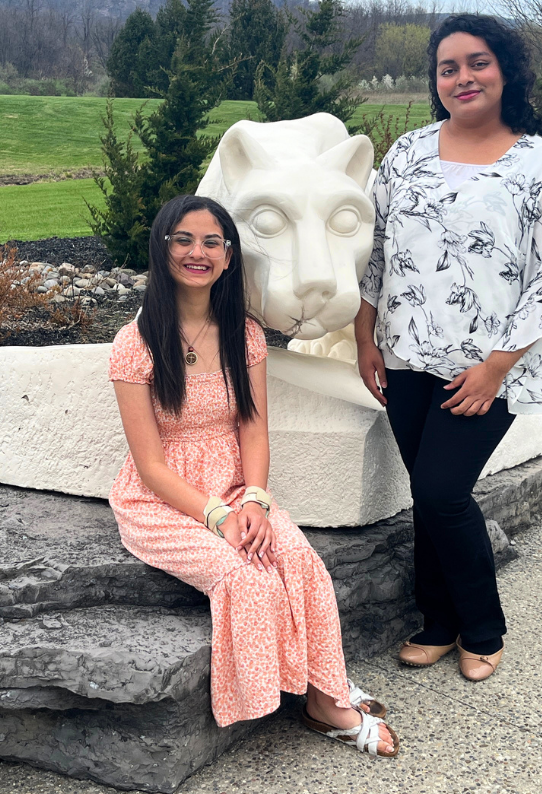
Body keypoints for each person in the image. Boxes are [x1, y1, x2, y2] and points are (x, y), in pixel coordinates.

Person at [109, 194, 399, 757]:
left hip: (238, 486)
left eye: (212, 242)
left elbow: (254, 430)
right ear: (161, 247)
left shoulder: (243, 334)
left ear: (228, 255)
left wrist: (257, 501)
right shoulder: (136, 343)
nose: (198, 252)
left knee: (299, 560)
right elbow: (149, 465)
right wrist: (218, 516)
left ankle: (324, 696)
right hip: (163, 500)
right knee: (246, 578)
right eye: (184, 240)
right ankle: (295, 699)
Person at [354, 14, 542, 681]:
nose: (463, 77)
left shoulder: (540, 163)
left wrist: (495, 371)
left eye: (478, 62)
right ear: (436, 80)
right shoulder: (405, 152)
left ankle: (482, 627)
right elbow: (376, 250)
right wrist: (363, 333)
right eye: (448, 67)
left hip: (487, 366)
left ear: (506, 69)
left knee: (441, 491)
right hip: (405, 353)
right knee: (427, 493)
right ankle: (436, 621)